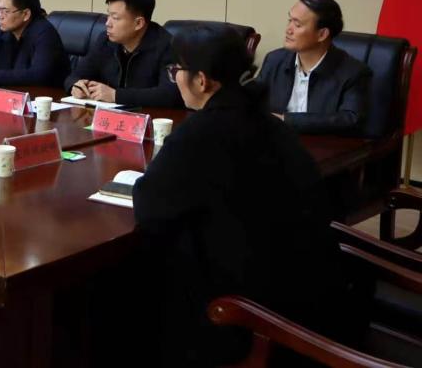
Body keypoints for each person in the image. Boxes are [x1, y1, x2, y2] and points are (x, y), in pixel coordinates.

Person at [133, 25, 354, 366]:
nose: (174, 78)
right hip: (314, 288)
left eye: (176, 70)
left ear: (202, 81)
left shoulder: (201, 132)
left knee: (134, 278)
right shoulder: (268, 122)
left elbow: (151, 208)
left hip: (253, 308)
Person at [257, 0, 370, 136]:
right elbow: (253, 97)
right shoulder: (275, 60)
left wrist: (286, 120)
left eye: (297, 24)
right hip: (275, 141)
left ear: (322, 34)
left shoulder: (353, 73)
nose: (288, 30)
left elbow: (350, 120)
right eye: (289, 20)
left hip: (322, 145)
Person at [64, 0, 182, 107]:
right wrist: (75, 86)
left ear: (138, 23)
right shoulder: (105, 40)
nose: (107, 23)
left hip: (150, 116)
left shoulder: (168, 46)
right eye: (108, 15)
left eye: (115, 18)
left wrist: (116, 95)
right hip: (109, 114)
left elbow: (170, 95)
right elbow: (75, 76)